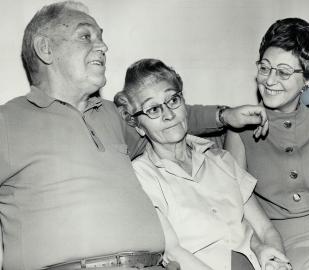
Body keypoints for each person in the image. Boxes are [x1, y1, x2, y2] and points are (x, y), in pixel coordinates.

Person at [0, 1, 270, 270]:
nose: (103, 47)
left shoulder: (111, 115)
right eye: (86, 36)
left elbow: (168, 116)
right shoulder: (7, 122)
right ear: (45, 49)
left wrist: (224, 116)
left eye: (102, 37)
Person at [114, 58, 292, 270]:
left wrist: (274, 258)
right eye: (153, 109)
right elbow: (172, 251)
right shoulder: (142, 177)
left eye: (173, 100)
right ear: (139, 127)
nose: (169, 114)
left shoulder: (222, 160)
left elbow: (265, 229)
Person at [224, 18, 309, 270]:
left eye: (283, 72)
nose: (269, 81)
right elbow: (232, 202)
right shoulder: (240, 130)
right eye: (264, 68)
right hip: (283, 246)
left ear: (308, 81)